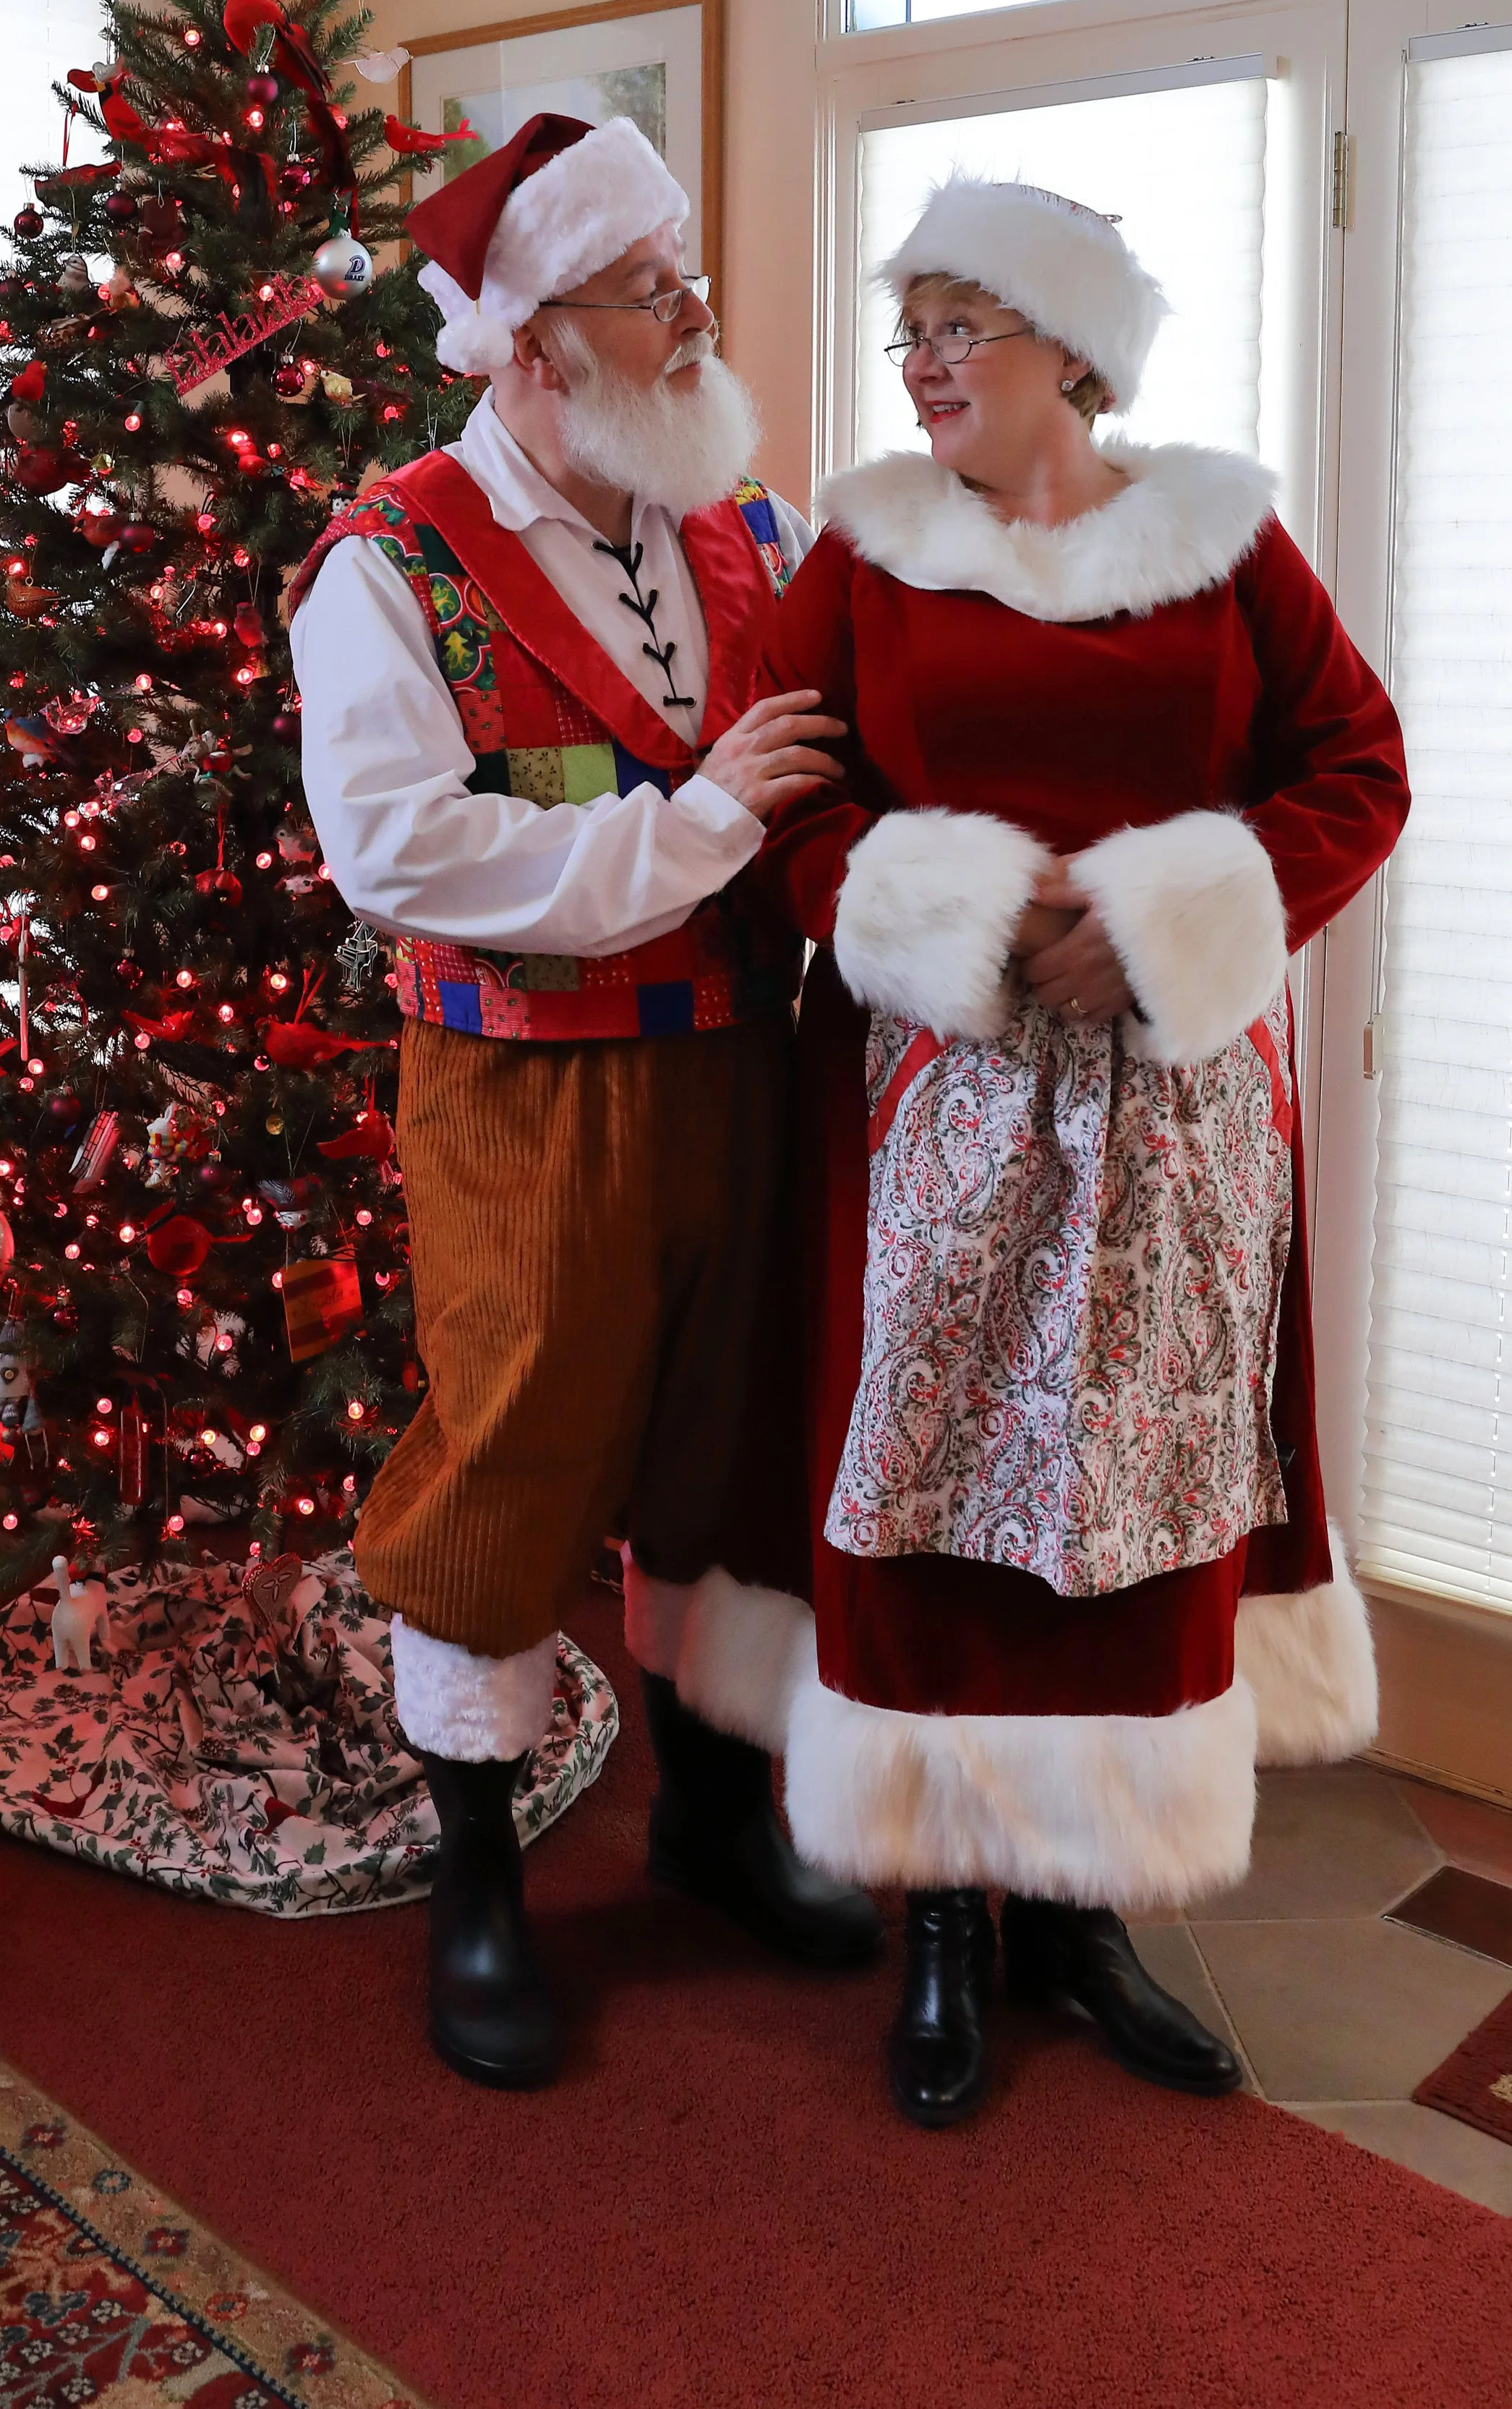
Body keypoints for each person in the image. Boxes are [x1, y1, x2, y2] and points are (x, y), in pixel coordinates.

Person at [751, 176, 1411, 2128]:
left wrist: (1164, 915)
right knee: (937, 1481)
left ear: (1072, 352)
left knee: (1122, 1492)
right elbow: (777, 782)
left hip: (1167, 1119)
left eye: (967, 325)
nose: (925, 363)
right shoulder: (867, 548)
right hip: (934, 1104)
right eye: (913, 328)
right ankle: (945, 1916)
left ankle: (1083, 1906)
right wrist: (920, 903)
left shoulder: (1220, 541)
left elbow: (1353, 767)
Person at [289, 114, 883, 2092]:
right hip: (530, 1103)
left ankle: (713, 1822)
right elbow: (396, 845)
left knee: (725, 1451)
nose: (695, 314)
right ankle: (478, 1891)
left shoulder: (747, 528)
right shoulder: (388, 561)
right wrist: (699, 825)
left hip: (742, 1068)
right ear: (534, 342)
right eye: (653, 291)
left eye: (682, 275)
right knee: (511, 1466)